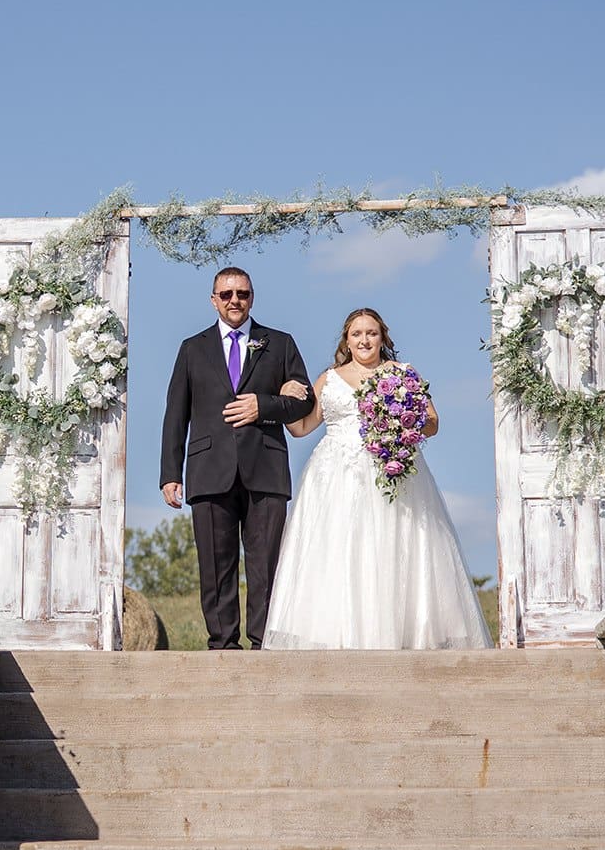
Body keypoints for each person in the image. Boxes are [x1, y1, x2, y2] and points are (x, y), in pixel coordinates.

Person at [262, 308, 492, 650]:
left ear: (382, 337)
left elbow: (432, 422)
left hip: (391, 471)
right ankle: (338, 638)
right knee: (339, 551)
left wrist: (402, 420)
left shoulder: (403, 373)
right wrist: (283, 399)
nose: (364, 340)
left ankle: (401, 635)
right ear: (347, 340)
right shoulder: (329, 378)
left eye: (371, 333)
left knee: (394, 546)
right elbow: (302, 428)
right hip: (334, 477)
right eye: (357, 334)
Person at [160, 267, 314, 649]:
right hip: (208, 470)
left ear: (252, 297)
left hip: (266, 469)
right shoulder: (192, 349)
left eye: (242, 294)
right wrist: (169, 473)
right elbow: (175, 413)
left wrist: (262, 405)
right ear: (213, 299)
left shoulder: (279, 343)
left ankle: (265, 643)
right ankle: (223, 645)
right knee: (216, 565)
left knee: (266, 565)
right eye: (226, 294)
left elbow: (306, 402)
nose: (234, 300)